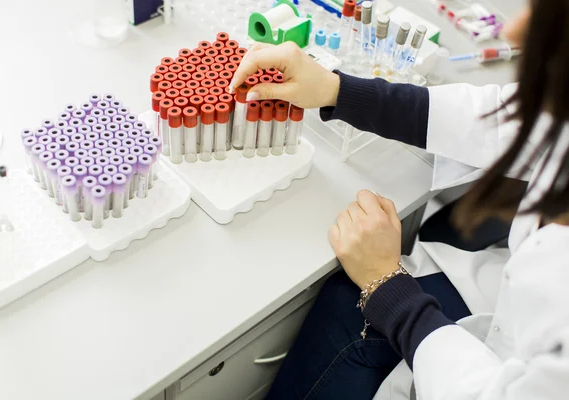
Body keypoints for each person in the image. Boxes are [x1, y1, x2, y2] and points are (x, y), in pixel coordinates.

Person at [229, 2, 569, 399]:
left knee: (347, 309)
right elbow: (503, 122)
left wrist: (386, 286)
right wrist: (338, 90)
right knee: (343, 306)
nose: (513, 34)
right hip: (510, 312)